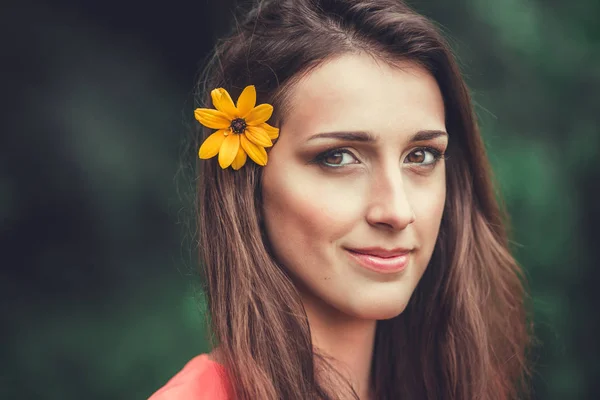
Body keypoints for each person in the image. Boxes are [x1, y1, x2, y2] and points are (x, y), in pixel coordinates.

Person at [149, 0, 532, 398]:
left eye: (420, 157)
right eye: (338, 157)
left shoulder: (468, 388)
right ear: (249, 186)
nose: (397, 211)